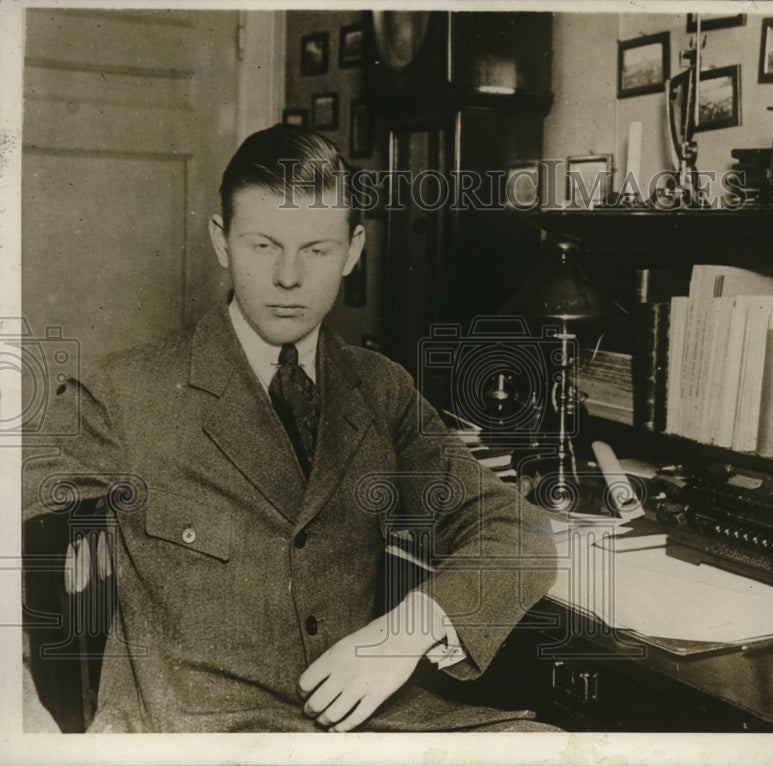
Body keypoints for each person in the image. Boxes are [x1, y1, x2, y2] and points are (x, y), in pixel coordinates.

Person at [22, 124, 558, 733]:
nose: (287, 277)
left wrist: (406, 630)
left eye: (317, 250)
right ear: (221, 242)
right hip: (199, 733)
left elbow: (519, 531)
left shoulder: (380, 390)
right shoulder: (120, 396)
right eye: (262, 246)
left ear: (355, 250)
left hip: (369, 724)